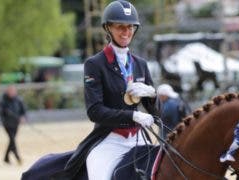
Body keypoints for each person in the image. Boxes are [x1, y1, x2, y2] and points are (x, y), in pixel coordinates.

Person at [45, 1, 160, 179]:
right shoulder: (95, 64)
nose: (126, 32)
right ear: (108, 28)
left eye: (130, 27)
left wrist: (152, 95)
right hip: (109, 139)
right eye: (120, 27)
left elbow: (156, 113)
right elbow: (95, 111)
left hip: (139, 138)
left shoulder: (140, 65)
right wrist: (133, 116)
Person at [0, 85, 26, 165]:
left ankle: (6, 158)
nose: (12, 93)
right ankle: (18, 158)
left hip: (15, 123)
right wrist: (5, 113)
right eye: (10, 91)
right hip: (7, 123)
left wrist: (22, 117)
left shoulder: (18, 100)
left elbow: (23, 110)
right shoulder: (3, 100)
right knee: (12, 139)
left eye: (13, 91)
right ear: (7, 92)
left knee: (12, 140)